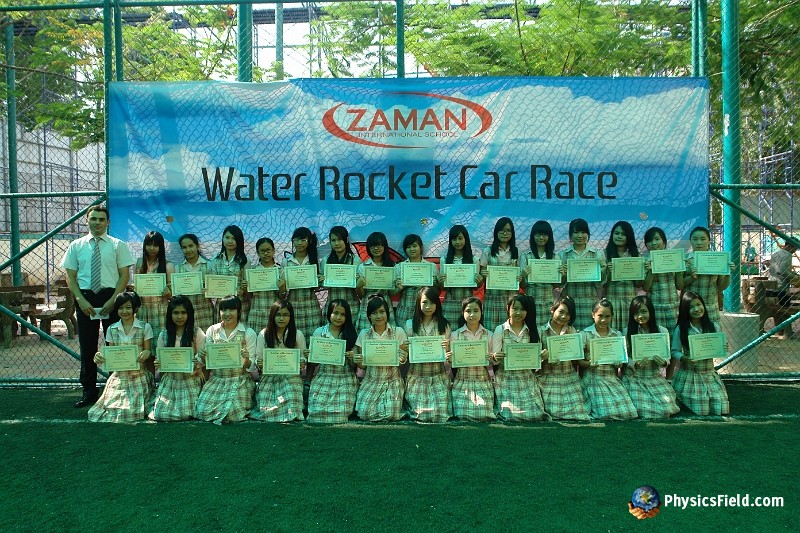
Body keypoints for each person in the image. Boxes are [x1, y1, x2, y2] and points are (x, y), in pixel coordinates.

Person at [61, 205, 135, 408]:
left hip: (111, 297)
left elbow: (124, 275)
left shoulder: (118, 245)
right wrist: (80, 300)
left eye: (102, 219)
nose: (97, 223)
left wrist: (113, 300)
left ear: (108, 222)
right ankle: (89, 391)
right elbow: (70, 276)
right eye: (93, 219)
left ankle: (116, 389)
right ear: (87, 220)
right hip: (86, 299)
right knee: (88, 346)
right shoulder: (76, 246)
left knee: (114, 345)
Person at [88, 291, 154, 422]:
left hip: (138, 376)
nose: (124, 311)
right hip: (119, 377)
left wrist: (147, 353)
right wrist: (99, 356)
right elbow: (110, 353)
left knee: (132, 411)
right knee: (110, 409)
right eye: (121, 308)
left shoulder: (145, 327)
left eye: (128, 307)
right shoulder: (111, 329)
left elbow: (148, 351)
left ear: (135, 308)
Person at [194, 295, 256, 424]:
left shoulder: (248, 332)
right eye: (223, 310)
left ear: (239, 311)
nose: (227, 314)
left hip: (239, 380)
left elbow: (251, 366)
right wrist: (203, 355)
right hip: (217, 379)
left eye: (232, 309)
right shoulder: (212, 330)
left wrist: (246, 359)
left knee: (232, 411)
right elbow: (206, 362)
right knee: (204, 410)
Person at [490, 294, 549, 421]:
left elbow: (536, 360)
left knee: (535, 414)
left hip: (526, 376)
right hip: (505, 377)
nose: (518, 312)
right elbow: (495, 361)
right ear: (507, 308)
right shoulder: (500, 330)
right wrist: (495, 357)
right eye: (515, 308)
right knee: (510, 414)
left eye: (522, 309)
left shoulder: (533, 330)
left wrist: (543, 356)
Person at [670, 291, 730, 416]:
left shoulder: (714, 326)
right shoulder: (681, 328)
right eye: (691, 307)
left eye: (698, 304)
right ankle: (683, 398)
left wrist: (723, 347)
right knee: (702, 410)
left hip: (709, 374)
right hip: (690, 375)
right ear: (685, 310)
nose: (696, 309)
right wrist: (684, 358)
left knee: (722, 408)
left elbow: (720, 347)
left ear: (703, 305)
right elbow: (674, 351)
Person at [149, 295, 206, 422]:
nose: (180, 316)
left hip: (191, 380)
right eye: (176, 313)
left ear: (189, 314)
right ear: (170, 314)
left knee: (186, 413)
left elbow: (202, 358)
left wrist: (198, 362)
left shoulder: (197, 333)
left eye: (183, 312)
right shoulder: (163, 335)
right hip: (171, 380)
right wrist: (159, 363)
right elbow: (160, 359)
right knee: (160, 414)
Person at [580, 298, 638, 420]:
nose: (603, 320)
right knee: (604, 413)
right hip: (592, 379)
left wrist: (619, 364)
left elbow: (622, 360)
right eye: (600, 316)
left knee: (628, 412)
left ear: (612, 316)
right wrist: (588, 364)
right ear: (593, 314)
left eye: (607, 316)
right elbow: (577, 361)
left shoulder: (617, 335)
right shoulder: (585, 334)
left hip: (611, 378)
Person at [622, 296, 679, 419]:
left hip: (654, 377)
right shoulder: (626, 332)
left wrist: (664, 362)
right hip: (634, 378)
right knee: (644, 409)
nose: (640, 316)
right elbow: (623, 357)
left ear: (651, 312)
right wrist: (634, 363)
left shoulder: (662, 331)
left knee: (667, 408)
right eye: (636, 313)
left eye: (644, 312)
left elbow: (667, 358)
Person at [353, 295, 408, 421]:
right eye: (374, 313)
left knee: (391, 414)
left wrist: (403, 358)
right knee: (365, 413)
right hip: (371, 380)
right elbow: (363, 366)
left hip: (392, 380)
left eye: (382, 312)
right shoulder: (364, 334)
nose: (378, 316)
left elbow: (402, 361)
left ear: (387, 313)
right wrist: (358, 361)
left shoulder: (398, 332)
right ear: (369, 316)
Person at [251, 300, 307, 422]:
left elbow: (302, 356)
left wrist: (302, 362)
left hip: (291, 377)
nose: (282, 318)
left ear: (291, 317)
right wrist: (259, 363)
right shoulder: (264, 334)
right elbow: (258, 357)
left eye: (286, 315)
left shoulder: (297, 334)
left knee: (291, 397)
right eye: (278, 315)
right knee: (266, 406)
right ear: (272, 316)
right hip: (269, 377)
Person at [306, 299, 359, 423]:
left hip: (345, 377)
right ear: (329, 313)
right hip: (324, 376)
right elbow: (314, 364)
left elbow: (354, 366)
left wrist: (352, 357)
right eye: (335, 313)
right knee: (315, 411)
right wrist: (310, 356)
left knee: (341, 413)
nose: (338, 317)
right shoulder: (319, 332)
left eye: (343, 314)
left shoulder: (351, 334)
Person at [404, 286, 452, 423]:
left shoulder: (444, 325)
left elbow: (448, 356)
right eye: (424, 302)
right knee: (421, 413)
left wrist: (447, 348)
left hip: (438, 376)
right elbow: (406, 356)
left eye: (432, 303)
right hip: (417, 377)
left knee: (439, 412)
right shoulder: (409, 325)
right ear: (418, 303)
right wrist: (406, 348)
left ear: (437, 304)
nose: (428, 307)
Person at [538, 295, 590, 421]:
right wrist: (543, 356)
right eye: (561, 312)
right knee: (553, 411)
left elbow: (575, 359)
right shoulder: (541, 331)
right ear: (552, 310)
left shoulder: (572, 332)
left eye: (568, 314)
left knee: (578, 411)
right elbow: (534, 362)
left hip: (568, 376)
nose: (563, 316)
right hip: (549, 376)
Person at [448, 296, 496, 422]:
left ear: (481, 312)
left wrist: (492, 357)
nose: (472, 314)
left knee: (482, 413)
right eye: (468, 311)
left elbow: (494, 361)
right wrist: (450, 359)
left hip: (483, 381)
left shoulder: (489, 335)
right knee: (462, 414)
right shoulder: (455, 335)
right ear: (462, 313)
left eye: (476, 311)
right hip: (462, 381)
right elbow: (452, 364)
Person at [559, 218, 606, 331]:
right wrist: (564, 274)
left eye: (583, 232)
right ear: (571, 235)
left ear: (588, 234)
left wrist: (602, 271)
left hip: (590, 301)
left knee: (590, 332)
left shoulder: (597, 254)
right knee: (569, 332)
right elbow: (559, 284)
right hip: (569, 301)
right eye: (576, 232)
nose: (580, 236)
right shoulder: (562, 255)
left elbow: (600, 283)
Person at [283, 227, 325, 340]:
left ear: (309, 241)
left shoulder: (314, 261)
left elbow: (317, 287)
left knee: (313, 337)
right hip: (293, 304)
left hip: (311, 306)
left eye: (303, 240)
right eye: (296, 240)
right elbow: (283, 289)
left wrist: (320, 281)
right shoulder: (286, 262)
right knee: (294, 338)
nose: (299, 243)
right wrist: (282, 285)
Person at [480, 217, 522, 331]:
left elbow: (521, 277)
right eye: (502, 230)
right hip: (492, 300)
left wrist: (520, 278)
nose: (505, 233)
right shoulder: (487, 251)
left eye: (508, 230)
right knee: (491, 332)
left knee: (509, 332)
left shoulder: (517, 252)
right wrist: (483, 274)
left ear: (512, 233)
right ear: (496, 232)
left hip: (510, 300)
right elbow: (481, 276)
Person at [683, 226, 732, 323]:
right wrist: (691, 277)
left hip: (710, 307)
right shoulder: (685, 259)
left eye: (703, 239)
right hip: (690, 307)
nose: (699, 243)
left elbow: (721, 286)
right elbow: (680, 285)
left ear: (709, 241)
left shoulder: (717, 259)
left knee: (711, 332)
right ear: (690, 241)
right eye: (695, 239)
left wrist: (727, 273)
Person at [135, 230, 175, 350]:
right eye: (149, 244)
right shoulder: (139, 263)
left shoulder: (168, 265)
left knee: (161, 347)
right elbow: (136, 289)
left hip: (161, 311)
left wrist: (168, 294)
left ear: (161, 247)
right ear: (144, 245)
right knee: (144, 347)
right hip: (143, 310)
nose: (152, 248)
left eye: (156, 245)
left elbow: (172, 295)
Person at [439, 225, 482, 328]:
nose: (457, 242)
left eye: (460, 238)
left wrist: (479, 281)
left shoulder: (474, 260)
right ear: (450, 241)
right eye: (454, 239)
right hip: (449, 302)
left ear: (466, 239)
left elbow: (476, 286)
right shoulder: (444, 260)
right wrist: (441, 281)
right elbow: (442, 287)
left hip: (468, 303)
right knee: (449, 332)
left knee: (467, 331)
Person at [641, 227, 683, 334]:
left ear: (664, 241)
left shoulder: (673, 258)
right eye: (650, 241)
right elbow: (645, 288)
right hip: (655, 306)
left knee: (675, 336)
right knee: (658, 336)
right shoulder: (645, 261)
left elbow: (680, 286)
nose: (654, 243)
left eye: (657, 239)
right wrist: (651, 270)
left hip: (673, 306)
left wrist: (679, 271)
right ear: (646, 245)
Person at [354, 231, 398, 331]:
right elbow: (361, 295)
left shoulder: (392, 267)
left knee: (387, 335)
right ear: (368, 248)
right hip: (367, 305)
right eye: (373, 246)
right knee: (366, 335)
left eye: (379, 245)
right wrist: (358, 286)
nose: (376, 248)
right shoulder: (363, 267)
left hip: (385, 305)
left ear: (384, 246)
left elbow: (391, 293)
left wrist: (398, 288)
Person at [520, 220, 559, 328]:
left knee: (549, 331)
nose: (541, 238)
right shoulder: (525, 256)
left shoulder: (555, 257)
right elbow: (523, 286)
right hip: (531, 302)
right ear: (533, 236)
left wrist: (563, 275)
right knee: (531, 331)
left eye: (545, 235)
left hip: (549, 303)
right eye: (538, 234)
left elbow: (557, 285)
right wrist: (523, 275)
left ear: (549, 236)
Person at [603, 221, 641, 332]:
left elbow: (639, 284)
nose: (619, 236)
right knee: (612, 334)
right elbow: (602, 284)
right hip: (611, 301)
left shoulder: (635, 255)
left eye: (623, 234)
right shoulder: (604, 254)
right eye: (616, 233)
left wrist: (641, 271)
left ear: (629, 237)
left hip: (630, 302)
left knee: (629, 333)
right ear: (612, 235)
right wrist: (608, 272)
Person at [395, 234, 438, 328]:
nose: (412, 249)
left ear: (421, 247)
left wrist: (434, 284)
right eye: (408, 247)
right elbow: (392, 292)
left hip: (425, 310)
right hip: (405, 310)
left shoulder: (431, 267)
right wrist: (400, 287)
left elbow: (437, 292)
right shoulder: (399, 267)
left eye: (414, 246)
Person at [209, 225, 249, 324]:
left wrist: (244, 289)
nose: (230, 241)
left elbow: (247, 287)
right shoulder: (216, 259)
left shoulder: (244, 260)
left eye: (233, 238)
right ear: (222, 239)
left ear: (239, 240)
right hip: (222, 306)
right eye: (227, 237)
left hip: (239, 305)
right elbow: (213, 284)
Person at [176, 234, 215, 334]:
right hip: (186, 314)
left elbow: (216, 291)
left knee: (206, 339)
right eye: (184, 247)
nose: (188, 250)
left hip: (205, 311)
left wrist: (209, 290)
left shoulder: (209, 265)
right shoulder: (178, 268)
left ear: (197, 246)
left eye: (191, 246)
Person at [319, 226, 361, 313]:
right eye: (333, 240)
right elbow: (323, 285)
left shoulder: (356, 261)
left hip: (351, 306)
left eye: (340, 239)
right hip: (332, 305)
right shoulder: (325, 261)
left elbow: (360, 289)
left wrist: (358, 281)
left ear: (346, 240)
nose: (337, 243)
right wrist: (321, 281)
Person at [247, 237, 282, 333]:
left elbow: (283, 297)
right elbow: (249, 296)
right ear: (258, 253)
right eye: (262, 251)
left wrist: (282, 289)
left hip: (275, 313)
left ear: (273, 251)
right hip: (257, 313)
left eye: (268, 250)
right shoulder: (253, 271)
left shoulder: (280, 270)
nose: (266, 253)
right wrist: (246, 288)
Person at [768, 238, 800, 338]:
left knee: (777, 311)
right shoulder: (787, 255)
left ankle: (780, 331)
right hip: (781, 288)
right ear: (789, 246)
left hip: (771, 286)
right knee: (786, 310)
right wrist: (795, 277)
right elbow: (782, 271)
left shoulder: (775, 254)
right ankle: (788, 333)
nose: (794, 251)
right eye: (794, 248)